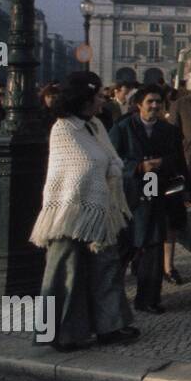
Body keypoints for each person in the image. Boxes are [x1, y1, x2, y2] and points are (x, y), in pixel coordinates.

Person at [29, 72, 139, 351]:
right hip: (70, 212)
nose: (103, 99)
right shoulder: (63, 129)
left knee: (106, 268)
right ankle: (62, 334)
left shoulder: (95, 126)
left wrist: (111, 168)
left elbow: (108, 159)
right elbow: (83, 167)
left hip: (101, 212)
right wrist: (110, 168)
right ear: (84, 99)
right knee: (67, 274)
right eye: (99, 95)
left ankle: (109, 326)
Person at [109, 86, 189, 314]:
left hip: (155, 192)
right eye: (150, 102)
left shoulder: (169, 130)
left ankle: (148, 299)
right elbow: (112, 161)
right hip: (128, 195)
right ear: (139, 105)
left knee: (153, 247)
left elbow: (178, 160)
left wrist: (164, 164)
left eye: (158, 103)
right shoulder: (122, 128)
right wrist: (138, 167)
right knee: (123, 248)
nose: (155, 106)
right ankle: (110, 298)